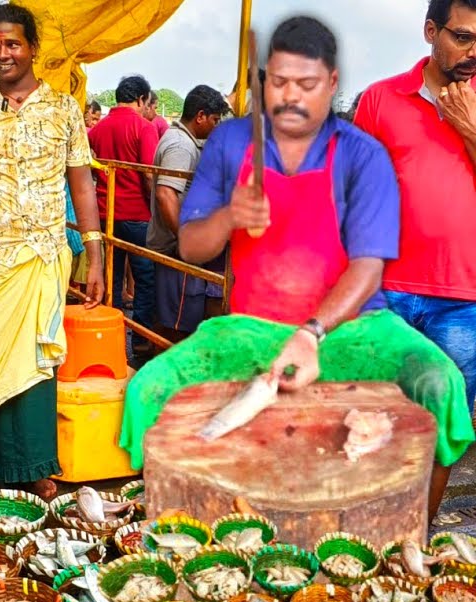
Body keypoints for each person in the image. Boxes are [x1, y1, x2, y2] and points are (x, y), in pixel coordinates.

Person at [119, 15, 474, 521]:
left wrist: (312, 332)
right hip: (248, 329)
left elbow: (370, 266)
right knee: (147, 389)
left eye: (306, 84)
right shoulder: (227, 145)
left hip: (355, 329)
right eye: (279, 82)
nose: (292, 97)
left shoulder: (363, 154)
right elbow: (191, 248)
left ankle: (408, 532)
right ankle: (186, 532)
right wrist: (227, 216)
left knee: (441, 385)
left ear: (330, 84)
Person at [0, 3, 105, 499]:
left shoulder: (64, 110)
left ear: (33, 48)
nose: (2, 53)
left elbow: (82, 189)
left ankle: (35, 464)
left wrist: (94, 254)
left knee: (34, 366)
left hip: (42, 255)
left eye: (12, 43)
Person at [354, 0, 476, 475]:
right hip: (386, 290)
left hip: (463, 299)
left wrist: (468, 127)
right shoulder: (382, 99)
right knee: (370, 424)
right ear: (430, 31)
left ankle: (416, 543)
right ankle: (367, 542)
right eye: (462, 37)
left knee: (442, 429)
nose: (472, 52)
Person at [148, 84, 231, 340]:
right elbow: (165, 194)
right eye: (215, 120)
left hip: (173, 243)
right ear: (201, 116)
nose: (216, 126)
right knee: (177, 322)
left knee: (172, 315)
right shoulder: (181, 147)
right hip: (176, 248)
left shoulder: (182, 141)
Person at [90, 74, 159, 345]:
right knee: (145, 277)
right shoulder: (144, 127)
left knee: (112, 276)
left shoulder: (99, 128)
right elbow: (149, 175)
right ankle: (140, 340)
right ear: (141, 99)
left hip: (105, 213)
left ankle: (110, 335)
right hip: (138, 214)